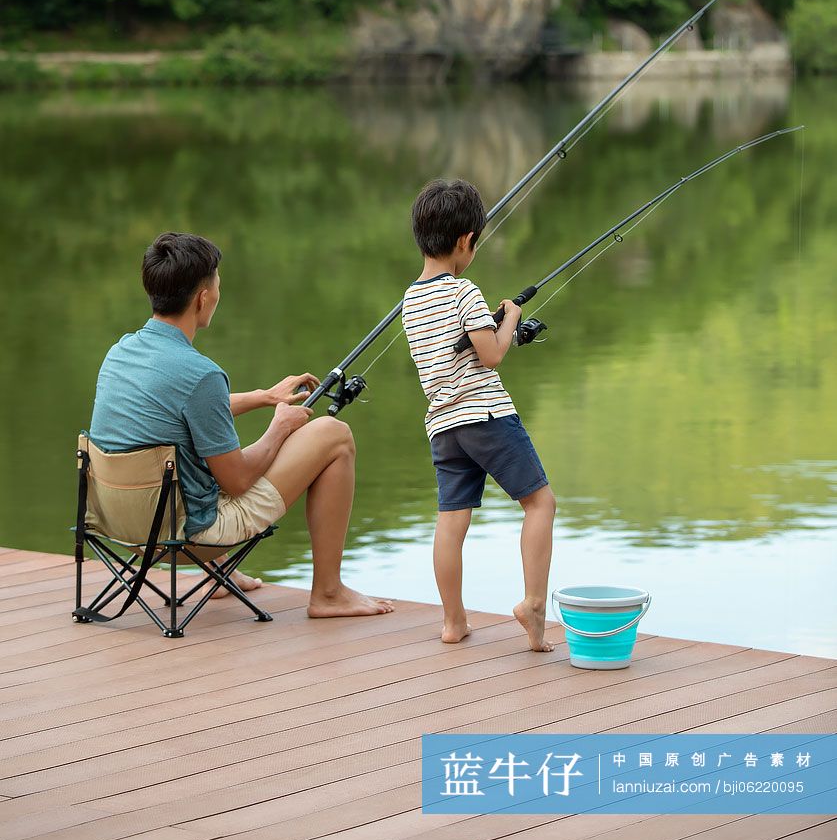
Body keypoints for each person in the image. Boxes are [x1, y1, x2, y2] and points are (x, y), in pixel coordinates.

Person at [88, 232, 393, 618]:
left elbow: (177, 412)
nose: (217, 292)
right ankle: (328, 593)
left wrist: (264, 397)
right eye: (216, 284)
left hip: (122, 526)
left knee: (195, 460)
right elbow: (237, 481)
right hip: (186, 535)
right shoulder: (201, 375)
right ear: (202, 297)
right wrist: (279, 427)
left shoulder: (122, 353)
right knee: (334, 436)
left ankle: (219, 572)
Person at [401, 180, 556, 651]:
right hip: (485, 415)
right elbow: (490, 355)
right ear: (466, 240)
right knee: (540, 503)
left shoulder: (409, 301)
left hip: (443, 426)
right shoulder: (465, 291)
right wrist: (508, 318)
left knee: (451, 519)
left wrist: (488, 326)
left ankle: (453, 621)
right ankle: (532, 603)